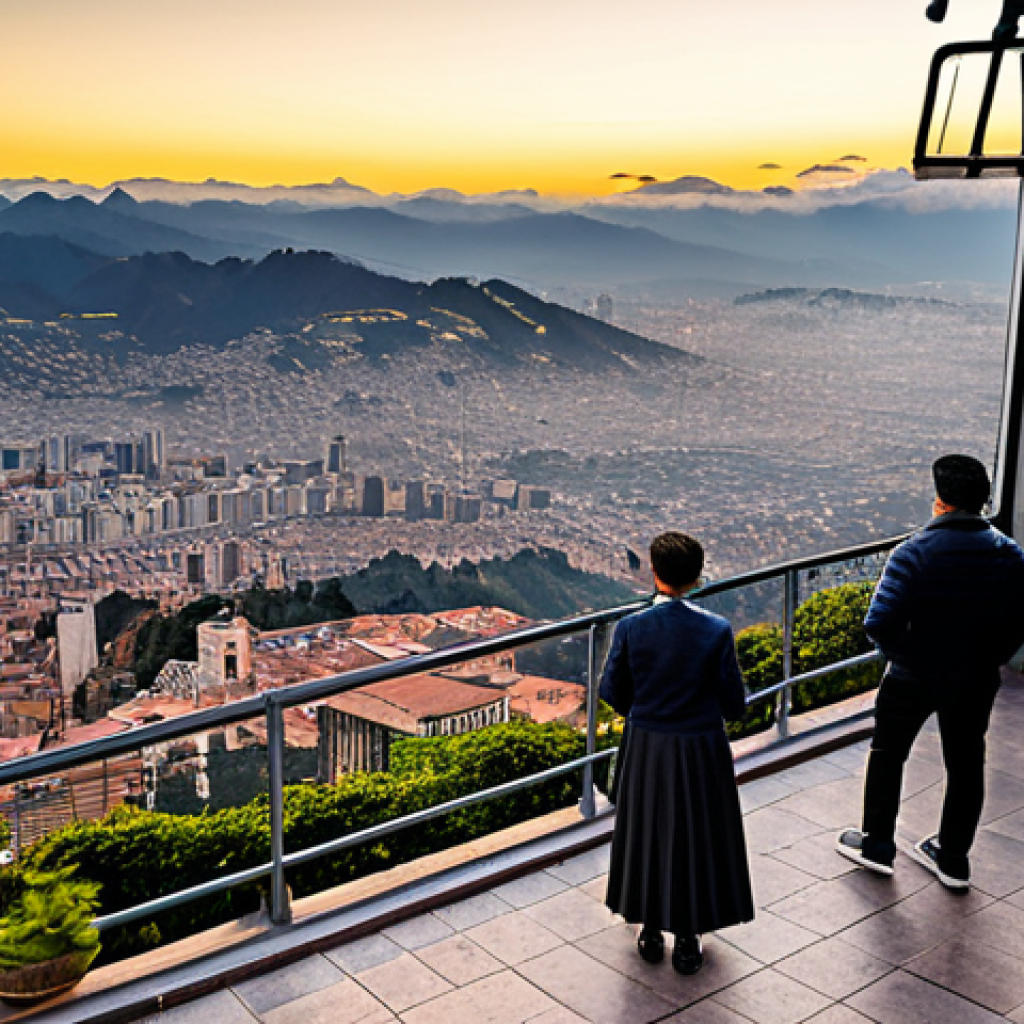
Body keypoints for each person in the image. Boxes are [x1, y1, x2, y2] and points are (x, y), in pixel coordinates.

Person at [838, 454, 1024, 889]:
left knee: (888, 754)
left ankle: (877, 845)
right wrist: (990, 656)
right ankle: (953, 858)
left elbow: (878, 622)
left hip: (911, 676)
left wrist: (907, 655)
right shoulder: (1009, 554)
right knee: (965, 762)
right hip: (975, 677)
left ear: (940, 501)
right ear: (982, 500)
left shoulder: (914, 552)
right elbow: (1019, 620)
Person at [601, 531, 754, 976]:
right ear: (697, 577)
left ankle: (649, 928)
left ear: (654, 571)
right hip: (701, 745)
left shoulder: (631, 627)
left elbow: (613, 691)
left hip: (648, 743)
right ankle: (689, 938)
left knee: (648, 832)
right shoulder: (716, 630)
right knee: (696, 836)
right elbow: (734, 703)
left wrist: (647, 714)